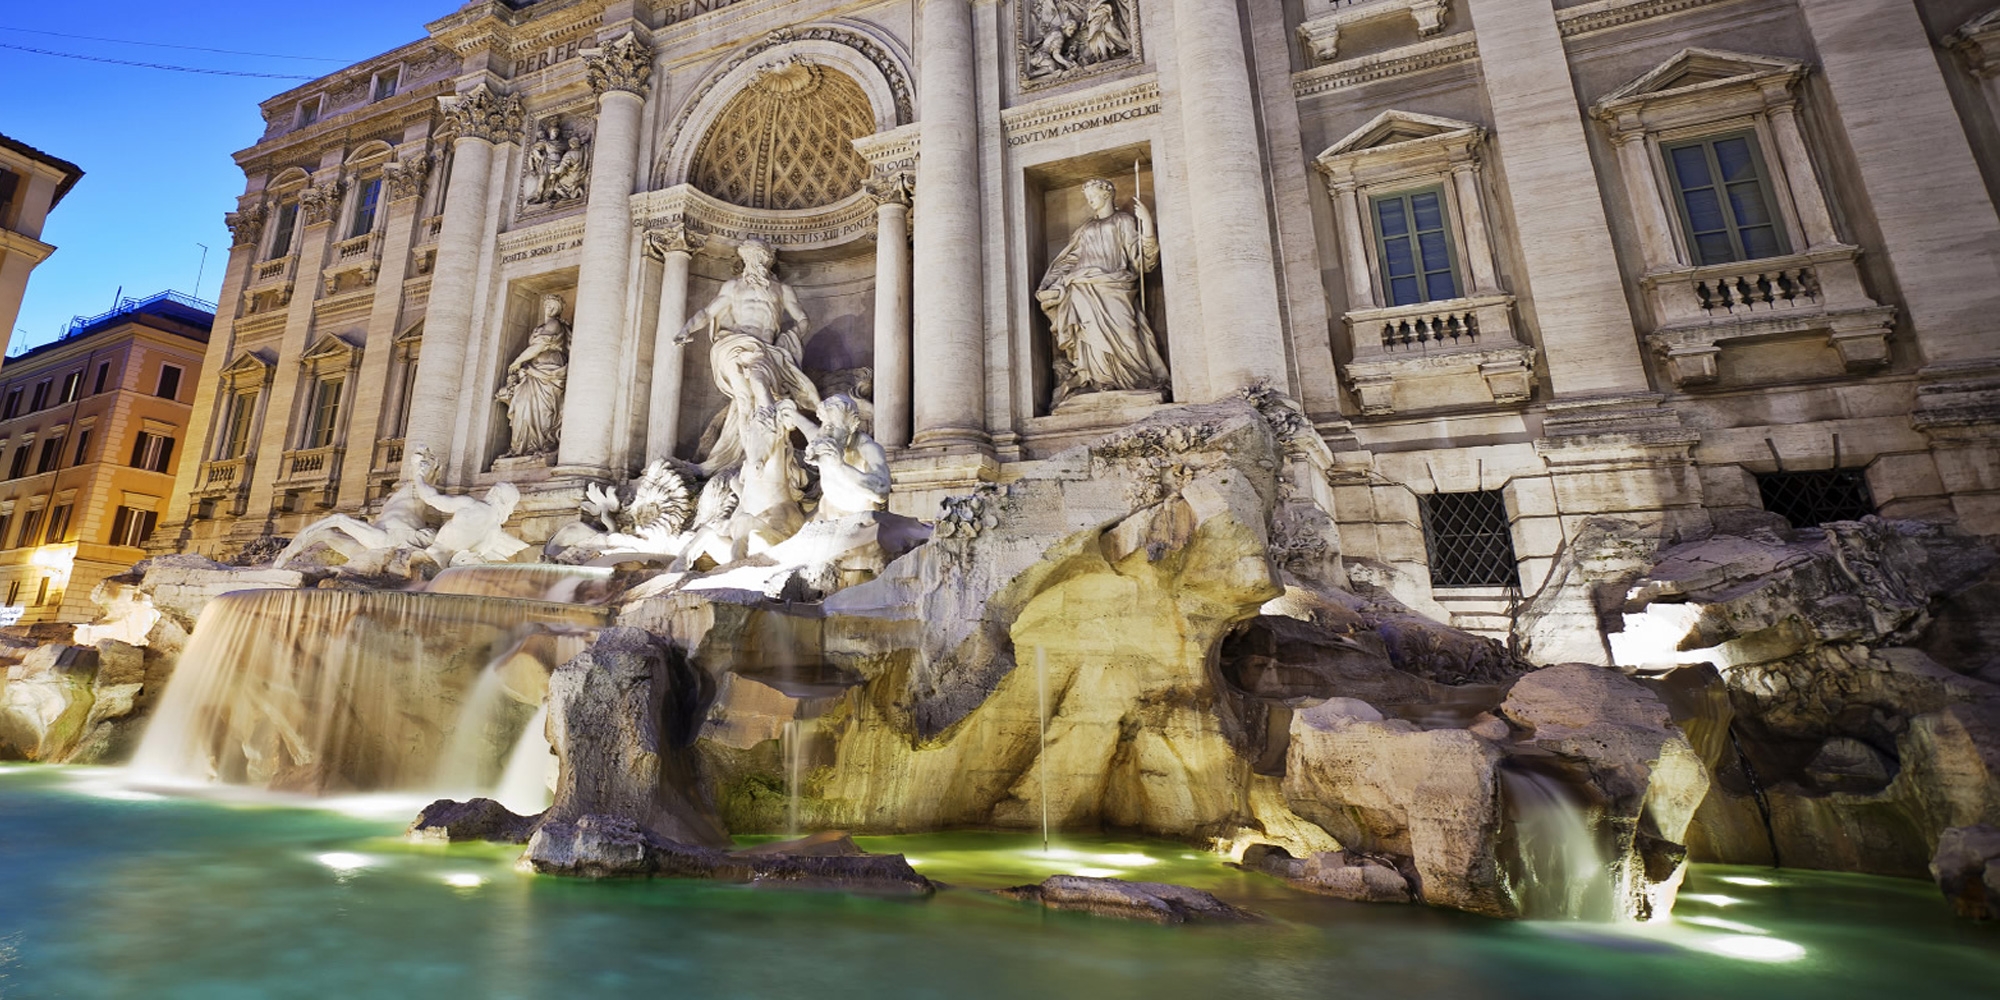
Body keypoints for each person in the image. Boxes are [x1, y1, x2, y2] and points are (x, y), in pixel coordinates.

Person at [674, 239, 822, 474]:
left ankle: (762, 453)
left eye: (758, 257)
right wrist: (686, 329)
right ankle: (750, 459)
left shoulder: (782, 290)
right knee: (745, 398)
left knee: (758, 389)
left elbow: (802, 319)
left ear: (767, 260)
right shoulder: (733, 287)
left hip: (765, 350)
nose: (754, 262)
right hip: (734, 345)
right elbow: (706, 312)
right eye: (750, 257)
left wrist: (792, 336)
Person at [1036, 177, 1169, 407]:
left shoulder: (1123, 221)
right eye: (1087, 197)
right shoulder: (1084, 228)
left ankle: (1136, 380)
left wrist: (1146, 224)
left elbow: (1143, 261)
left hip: (1115, 286)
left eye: (1093, 195)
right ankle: (1098, 379)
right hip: (1081, 287)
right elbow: (1068, 261)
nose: (1090, 200)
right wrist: (1051, 284)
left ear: (1107, 194)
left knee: (1126, 332)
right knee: (1089, 336)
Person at [496, 293, 570, 457]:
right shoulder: (542, 326)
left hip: (549, 369)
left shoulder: (555, 324)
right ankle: (521, 447)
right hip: (534, 370)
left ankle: (540, 444)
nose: (549, 308)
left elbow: (540, 345)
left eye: (554, 306)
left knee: (543, 409)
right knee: (523, 405)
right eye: (547, 305)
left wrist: (518, 361)